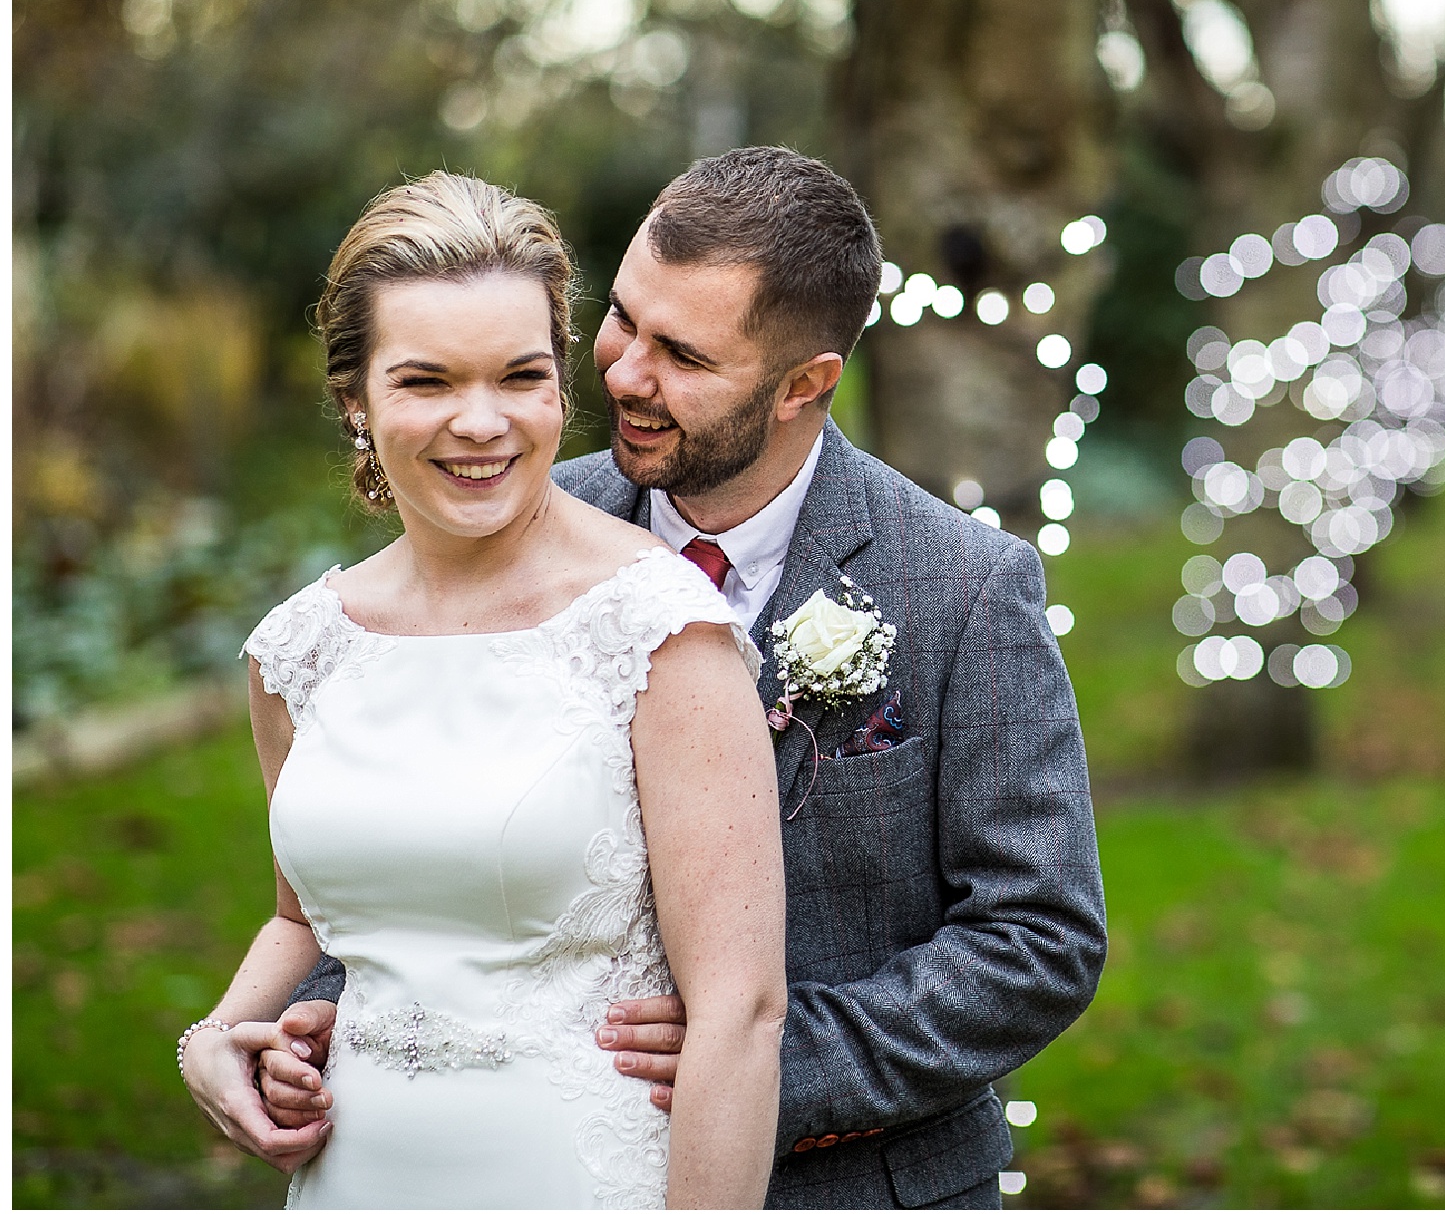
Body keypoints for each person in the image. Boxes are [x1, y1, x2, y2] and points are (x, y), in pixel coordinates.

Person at [254, 146, 1109, 1209]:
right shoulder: (503, 509)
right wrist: (330, 1009)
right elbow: (419, 824)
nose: (620, 373)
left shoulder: (962, 586)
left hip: (855, 1183)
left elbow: (1040, 938)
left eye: (683, 356)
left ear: (804, 385)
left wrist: (763, 1054)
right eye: (622, 318)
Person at [177, 173, 788, 1208]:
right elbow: (305, 916)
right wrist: (216, 1038)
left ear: (560, 385)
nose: (482, 421)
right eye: (427, 381)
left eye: (520, 375)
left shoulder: (657, 628)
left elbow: (743, 1011)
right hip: (353, 1179)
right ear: (356, 402)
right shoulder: (298, 651)